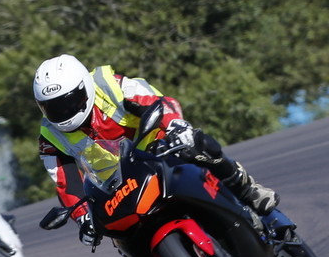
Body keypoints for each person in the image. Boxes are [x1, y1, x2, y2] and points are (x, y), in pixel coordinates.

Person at [32, 54, 288, 244]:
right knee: (114, 232)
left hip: (158, 150)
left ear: (85, 88)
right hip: (117, 186)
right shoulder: (50, 137)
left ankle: (248, 191)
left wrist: (175, 126)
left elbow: (155, 100)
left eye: (69, 103)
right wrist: (82, 217)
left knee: (197, 144)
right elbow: (66, 183)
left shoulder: (109, 85)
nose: (64, 113)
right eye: (53, 108)